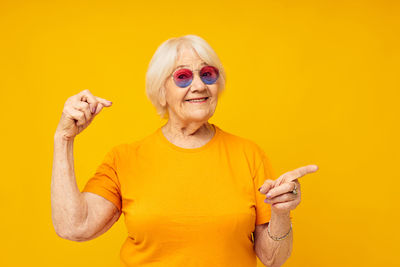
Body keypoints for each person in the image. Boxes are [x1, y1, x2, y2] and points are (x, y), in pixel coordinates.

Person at [51, 34, 318, 267]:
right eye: (183, 77)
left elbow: (274, 259)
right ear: (161, 91)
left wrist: (281, 214)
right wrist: (64, 138)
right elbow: (74, 226)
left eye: (208, 74)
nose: (199, 85)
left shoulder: (249, 155)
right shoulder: (124, 159)